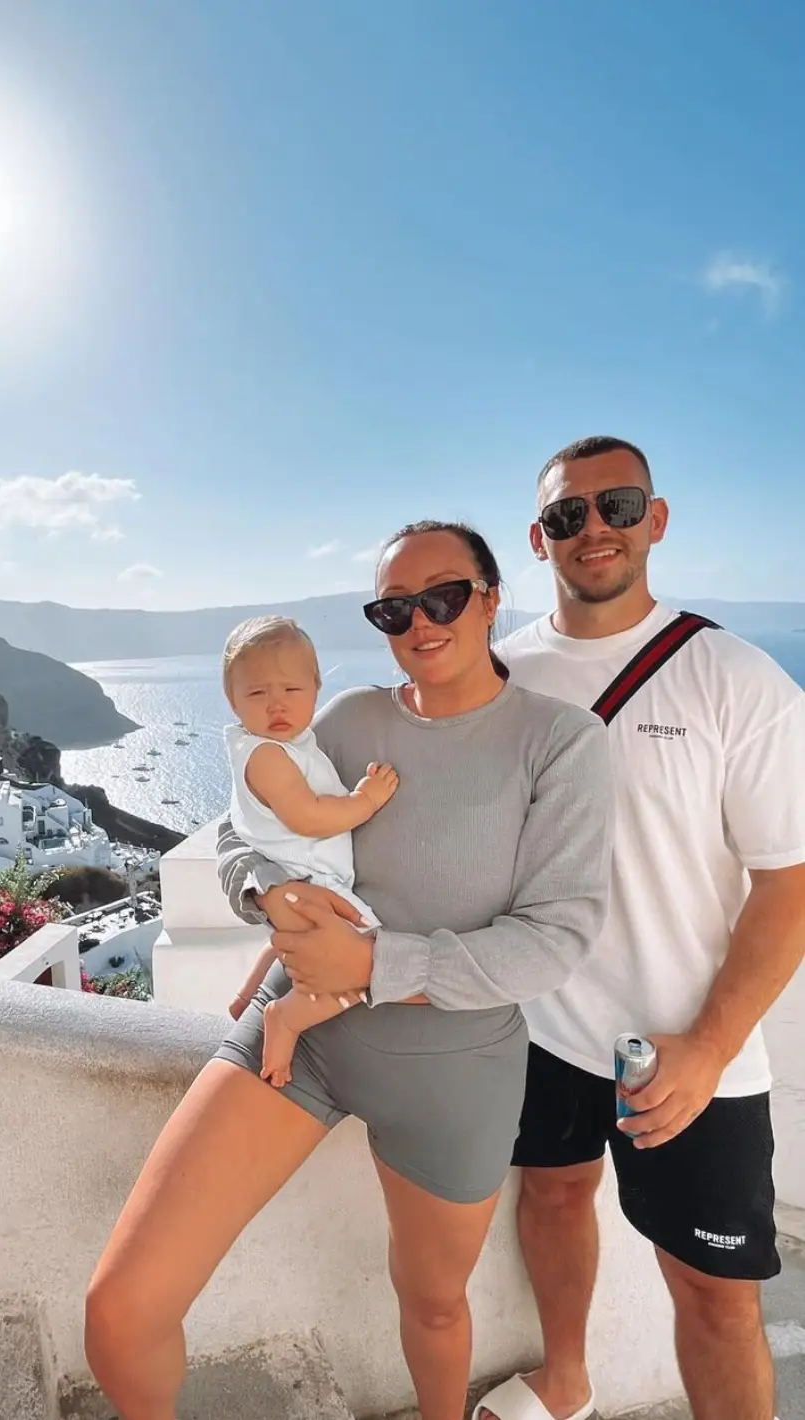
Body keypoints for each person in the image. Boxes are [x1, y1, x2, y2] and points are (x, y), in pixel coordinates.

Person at [86, 519, 614, 1420]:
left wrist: (371, 962)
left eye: (444, 596)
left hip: (452, 1073)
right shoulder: (349, 721)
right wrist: (266, 894)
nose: (421, 622)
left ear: (491, 598)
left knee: (435, 1305)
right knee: (120, 1311)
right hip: (299, 1039)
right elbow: (243, 834)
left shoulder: (561, 741)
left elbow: (554, 937)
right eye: (394, 608)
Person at [475, 436, 805, 1420]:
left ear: (654, 520)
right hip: (539, 1022)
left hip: (685, 1045)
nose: (593, 529)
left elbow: (788, 883)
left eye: (616, 505)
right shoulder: (498, 674)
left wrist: (709, 1047)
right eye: (565, 514)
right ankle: (564, 1382)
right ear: (537, 539)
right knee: (550, 1197)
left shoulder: (733, 677)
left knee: (714, 1296)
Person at [221, 613, 400, 1086]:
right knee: (363, 967)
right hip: (307, 879)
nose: (276, 703)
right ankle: (287, 1018)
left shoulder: (287, 745)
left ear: (316, 688)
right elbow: (309, 816)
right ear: (232, 700)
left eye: (291, 689)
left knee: (289, 944)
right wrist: (366, 800)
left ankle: (245, 996)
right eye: (257, 693)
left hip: (299, 877)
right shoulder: (267, 756)